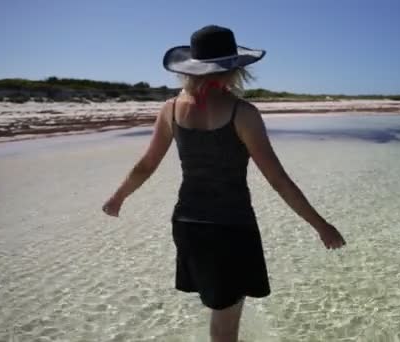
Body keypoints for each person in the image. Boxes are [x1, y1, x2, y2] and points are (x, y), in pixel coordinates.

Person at [102, 25, 346, 342]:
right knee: (226, 326)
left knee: (219, 308)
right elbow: (278, 180)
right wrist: (321, 224)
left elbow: (146, 165)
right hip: (230, 227)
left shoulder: (170, 110)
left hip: (187, 224)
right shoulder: (242, 114)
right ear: (233, 69)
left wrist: (118, 197)